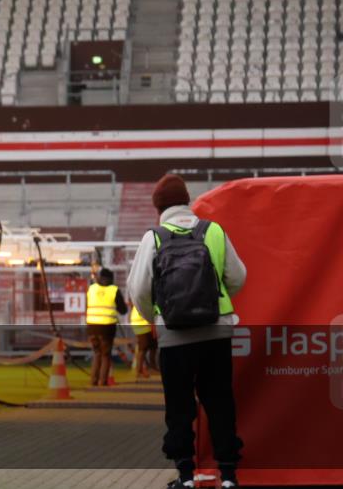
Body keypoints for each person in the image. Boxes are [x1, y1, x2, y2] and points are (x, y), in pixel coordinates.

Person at [128, 174, 247, 489]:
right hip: (216, 332)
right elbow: (238, 277)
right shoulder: (214, 232)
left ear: (159, 208)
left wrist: (156, 317)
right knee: (220, 402)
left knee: (179, 406)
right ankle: (229, 476)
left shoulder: (152, 237)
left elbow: (139, 289)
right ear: (187, 201)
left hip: (174, 336)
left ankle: (185, 476)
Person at [86, 266, 127, 386]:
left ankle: (93, 380)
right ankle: (102, 381)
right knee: (105, 355)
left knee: (97, 353)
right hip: (107, 327)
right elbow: (123, 310)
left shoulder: (91, 288)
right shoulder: (114, 290)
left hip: (91, 326)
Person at [129, 298, 158, 379]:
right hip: (142, 323)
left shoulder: (142, 294)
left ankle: (151, 367)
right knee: (143, 348)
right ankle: (139, 370)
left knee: (153, 345)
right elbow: (155, 309)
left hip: (141, 322)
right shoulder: (149, 296)